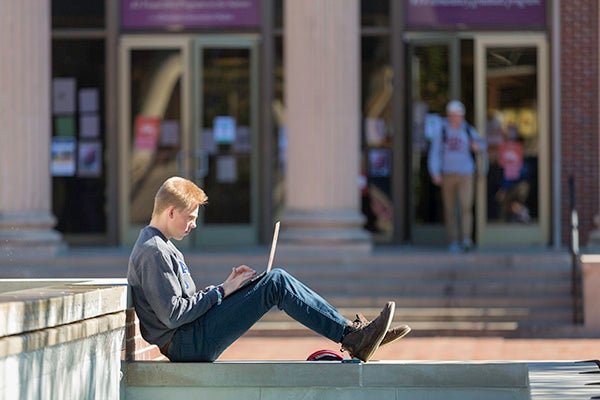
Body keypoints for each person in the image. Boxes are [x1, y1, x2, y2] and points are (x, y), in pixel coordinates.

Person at [127, 176, 411, 362]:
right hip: (186, 344)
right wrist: (222, 292)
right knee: (276, 283)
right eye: (190, 217)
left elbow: (181, 305)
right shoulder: (153, 251)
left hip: (190, 336)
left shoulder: (161, 246)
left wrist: (224, 288)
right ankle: (353, 337)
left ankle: (355, 334)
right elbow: (174, 315)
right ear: (171, 212)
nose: (194, 225)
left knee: (270, 281)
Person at [428, 100, 487, 253]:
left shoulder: (467, 129)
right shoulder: (442, 131)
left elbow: (482, 144)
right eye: (455, 115)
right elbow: (435, 153)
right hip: (447, 174)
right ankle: (453, 240)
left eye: (460, 115)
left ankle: (466, 239)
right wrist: (435, 172)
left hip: (466, 173)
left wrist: (478, 147)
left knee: (466, 206)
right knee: (450, 209)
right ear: (449, 116)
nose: (458, 118)